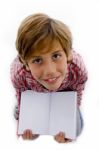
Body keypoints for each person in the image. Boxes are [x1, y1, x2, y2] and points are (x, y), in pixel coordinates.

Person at [10, 13, 88, 143]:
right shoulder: (19, 74)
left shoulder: (77, 70)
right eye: (37, 60)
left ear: (68, 54)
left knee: (76, 129)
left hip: (63, 93)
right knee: (26, 125)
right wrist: (23, 122)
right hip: (36, 93)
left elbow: (77, 93)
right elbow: (21, 95)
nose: (50, 71)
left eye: (56, 56)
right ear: (26, 64)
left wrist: (69, 123)